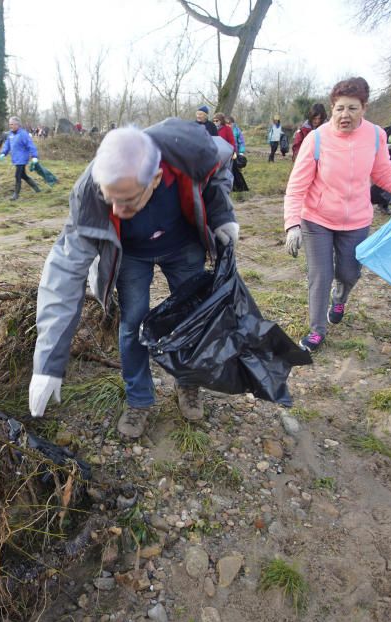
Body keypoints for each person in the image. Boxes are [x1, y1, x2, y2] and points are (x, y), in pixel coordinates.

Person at [27, 119, 238, 439]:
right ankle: (139, 399)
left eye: (127, 200)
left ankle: (188, 382)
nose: (116, 208)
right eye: (110, 198)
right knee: (133, 323)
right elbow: (64, 274)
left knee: (192, 317)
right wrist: (47, 364)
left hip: (182, 246)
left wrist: (222, 215)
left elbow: (222, 162)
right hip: (131, 256)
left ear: (155, 179)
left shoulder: (191, 151)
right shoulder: (89, 195)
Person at [283, 76, 391, 353]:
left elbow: (384, 172)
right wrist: (292, 225)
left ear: (364, 107)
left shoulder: (375, 135)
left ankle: (341, 295)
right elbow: (296, 186)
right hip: (317, 219)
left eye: (352, 108)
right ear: (332, 109)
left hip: (356, 220)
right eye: (339, 108)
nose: (344, 115)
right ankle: (317, 330)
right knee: (320, 276)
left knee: (349, 273)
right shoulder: (316, 139)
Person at [0, 116, 42, 200]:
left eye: (12, 124)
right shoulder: (10, 134)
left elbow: (31, 145)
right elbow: (7, 144)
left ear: (17, 124)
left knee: (17, 175)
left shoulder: (23, 134)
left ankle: (16, 194)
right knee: (23, 175)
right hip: (15, 158)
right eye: (9, 124)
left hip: (22, 158)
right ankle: (36, 188)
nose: (10, 126)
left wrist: (34, 156)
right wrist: (3, 153)